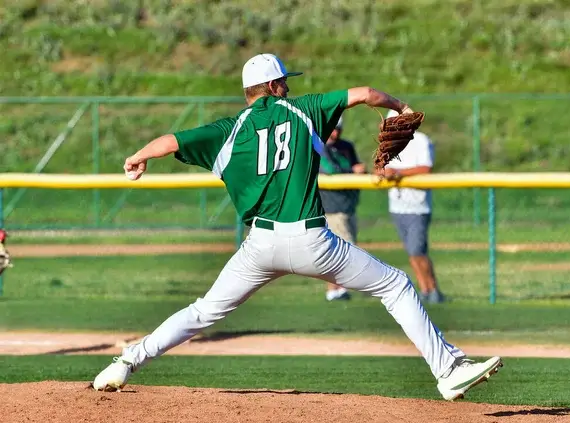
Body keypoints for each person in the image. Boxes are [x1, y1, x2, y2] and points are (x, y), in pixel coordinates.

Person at [93, 53, 502, 401]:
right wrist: (400, 107)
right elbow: (363, 95)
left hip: (260, 246)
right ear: (271, 85)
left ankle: (127, 362)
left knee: (203, 312)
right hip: (312, 241)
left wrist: (137, 158)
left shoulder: (227, 130)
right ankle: (448, 371)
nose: (287, 88)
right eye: (283, 83)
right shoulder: (304, 110)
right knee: (394, 284)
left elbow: (171, 141)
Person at [384, 110, 444, 304]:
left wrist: (399, 173)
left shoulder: (421, 141)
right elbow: (383, 168)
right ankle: (425, 289)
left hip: (417, 206)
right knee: (412, 253)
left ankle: (433, 290)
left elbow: (425, 169)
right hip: (397, 205)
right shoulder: (390, 144)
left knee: (418, 250)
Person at [319, 115, 366, 301]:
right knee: (346, 248)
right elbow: (330, 171)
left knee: (339, 249)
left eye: (338, 129)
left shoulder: (346, 146)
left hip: (349, 205)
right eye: (333, 128)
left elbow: (358, 167)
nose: (335, 133)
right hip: (331, 207)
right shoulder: (319, 147)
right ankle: (337, 289)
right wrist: (353, 172)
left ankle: (336, 289)